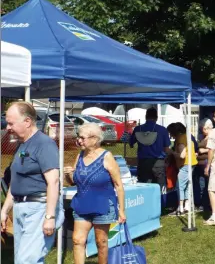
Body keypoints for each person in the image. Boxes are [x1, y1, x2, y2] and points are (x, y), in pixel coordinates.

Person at [0, 102, 65, 264]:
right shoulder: (21, 146)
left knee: (27, 261)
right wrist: (4, 210)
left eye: (11, 123)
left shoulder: (44, 144)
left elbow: (53, 181)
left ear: (27, 122)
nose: (7, 127)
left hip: (39, 208)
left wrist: (49, 216)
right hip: (21, 209)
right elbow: (15, 182)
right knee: (22, 260)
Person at [64, 123, 126, 264]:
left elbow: (118, 185)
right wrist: (69, 174)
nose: (79, 141)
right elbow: (74, 181)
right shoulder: (80, 156)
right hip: (82, 205)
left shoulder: (107, 156)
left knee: (101, 241)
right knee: (77, 240)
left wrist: (122, 210)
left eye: (82, 138)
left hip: (103, 206)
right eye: (78, 137)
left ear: (94, 139)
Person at [130, 107, 171, 193]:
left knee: (143, 186)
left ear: (146, 116)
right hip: (158, 162)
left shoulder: (138, 129)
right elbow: (167, 148)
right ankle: (161, 205)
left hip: (143, 162)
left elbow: (131, 144)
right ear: (156, 117)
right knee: (160, 187)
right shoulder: (162, 130)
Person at [168, 123, 198, 216]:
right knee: (187, 185)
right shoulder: (187, 137)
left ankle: (180, 207)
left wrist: (172, 152)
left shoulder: (181, 139)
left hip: (185, 165)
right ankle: (187, 205)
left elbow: (182, 155)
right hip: (191, 164)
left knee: (180, 185)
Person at [196, 118, 213, 211]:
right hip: (200, 165)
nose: (202, 130)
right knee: (202, 185)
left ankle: (207, 204)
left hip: (207, 164)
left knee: (207, 185)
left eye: (202, 128)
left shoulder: (212, 136)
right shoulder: (204, 137)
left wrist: (204, 150)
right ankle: (203, 203)